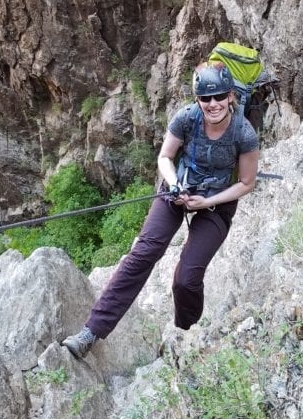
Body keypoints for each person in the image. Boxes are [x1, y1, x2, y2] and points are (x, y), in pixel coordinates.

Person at [63, 61, 260, 358]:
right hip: (178, 189)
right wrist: (174, 184)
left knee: (186, 279)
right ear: (197, 100)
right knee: (143, 254)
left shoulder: (243, 132)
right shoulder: (186, 118)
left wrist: (207, 202)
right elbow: (166, 157)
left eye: (219, 96)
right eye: (205, 98)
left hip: (216, 203)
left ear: (231, 96)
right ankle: (91, 332)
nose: (213, 104)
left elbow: (247, 183)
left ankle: (185, 338)